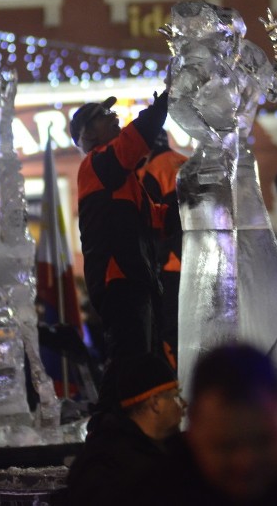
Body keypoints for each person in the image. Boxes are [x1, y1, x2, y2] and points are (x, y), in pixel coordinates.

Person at [134, 344, 277, 504]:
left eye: (262, 441)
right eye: (225, 446)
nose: (245, 462)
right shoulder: (151, 495)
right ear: (194, 426)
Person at [70, 91, 178, 388]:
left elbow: (156, 220)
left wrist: (191, 200)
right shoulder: (97, 164)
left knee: (145, 361)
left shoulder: (120, 176)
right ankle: (115, 422)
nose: (115, 117)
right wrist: (164, 102)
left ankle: (133, 420)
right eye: (105, 116)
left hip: (134, 279)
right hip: (120, 280)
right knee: (131, 363)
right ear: (88, 134)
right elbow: (136, 138)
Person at [66, 353, 185, 504]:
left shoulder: (157, 452)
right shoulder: (114, 468)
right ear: (155, 402)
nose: (183, 404)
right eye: (176, 397)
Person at [136, 128, 187, 366]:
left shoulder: (151, 172)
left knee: (173, 330)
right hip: (201, 260)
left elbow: (153, 224)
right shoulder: (188, 163)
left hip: (172, 264)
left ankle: (182, 385)